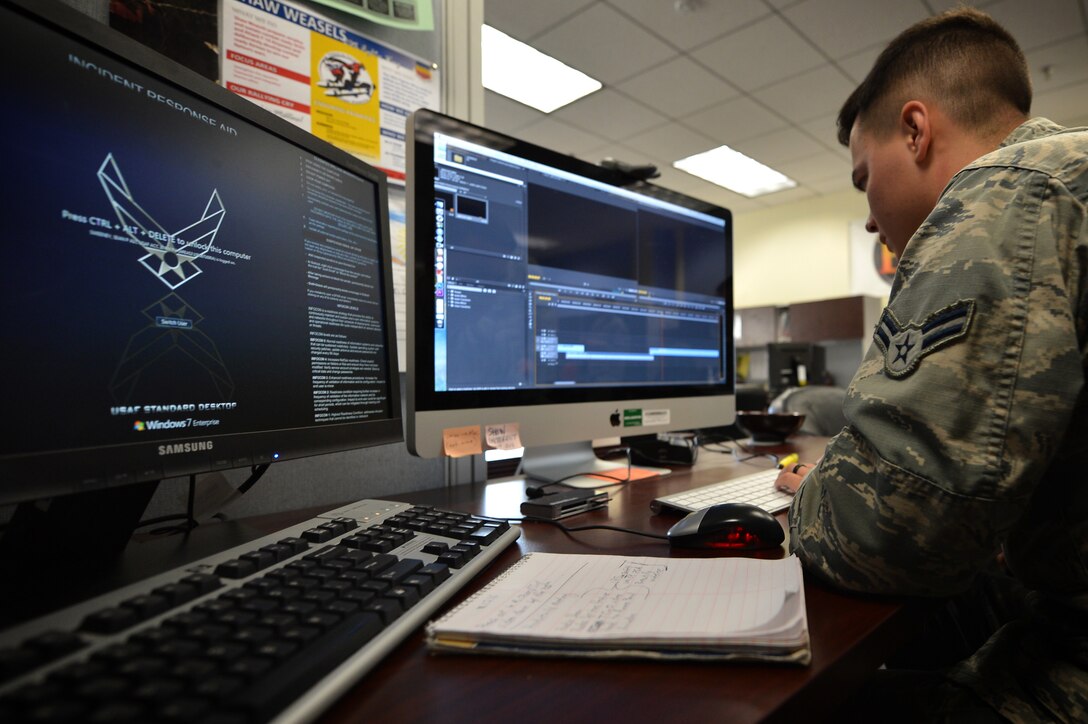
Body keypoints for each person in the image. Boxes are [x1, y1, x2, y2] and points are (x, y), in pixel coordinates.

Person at [774, 7, 1088, 722]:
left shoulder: (1009, 192)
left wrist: (812, 494)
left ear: (915, 130)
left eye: (862, 180)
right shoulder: (1067, 172)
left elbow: (897, 532)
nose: (867, 215)